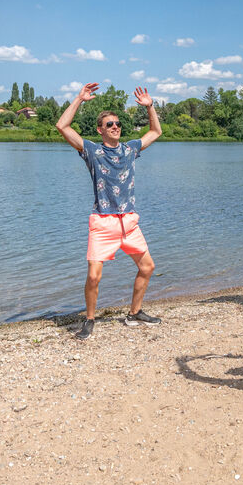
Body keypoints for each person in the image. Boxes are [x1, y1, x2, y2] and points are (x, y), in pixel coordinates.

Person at [55, 83, 163, 340]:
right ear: (100, 130)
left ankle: (135, 313)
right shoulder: (92, 151)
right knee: (94, 275)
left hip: (129, 222)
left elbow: (156, 131)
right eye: (110, 124)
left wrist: (150, 107)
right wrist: (79, 99)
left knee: (147, 267)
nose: (116, 127)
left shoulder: (130, 149)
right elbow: (62, 127)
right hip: (103, 221)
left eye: (118, 123)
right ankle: (89, 320)